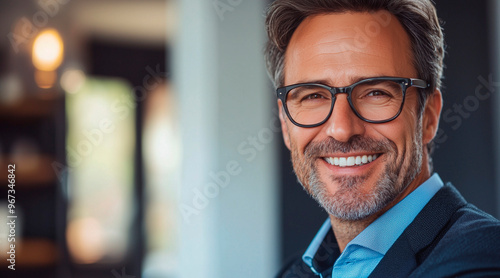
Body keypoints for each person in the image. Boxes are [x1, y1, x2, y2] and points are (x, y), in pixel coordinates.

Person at [264, 0, 500, 277]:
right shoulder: (294, 272)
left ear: (430, 116)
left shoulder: (484, 262)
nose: (341, 129)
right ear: (284, 122)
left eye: (376, 92)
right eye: (313, 95)